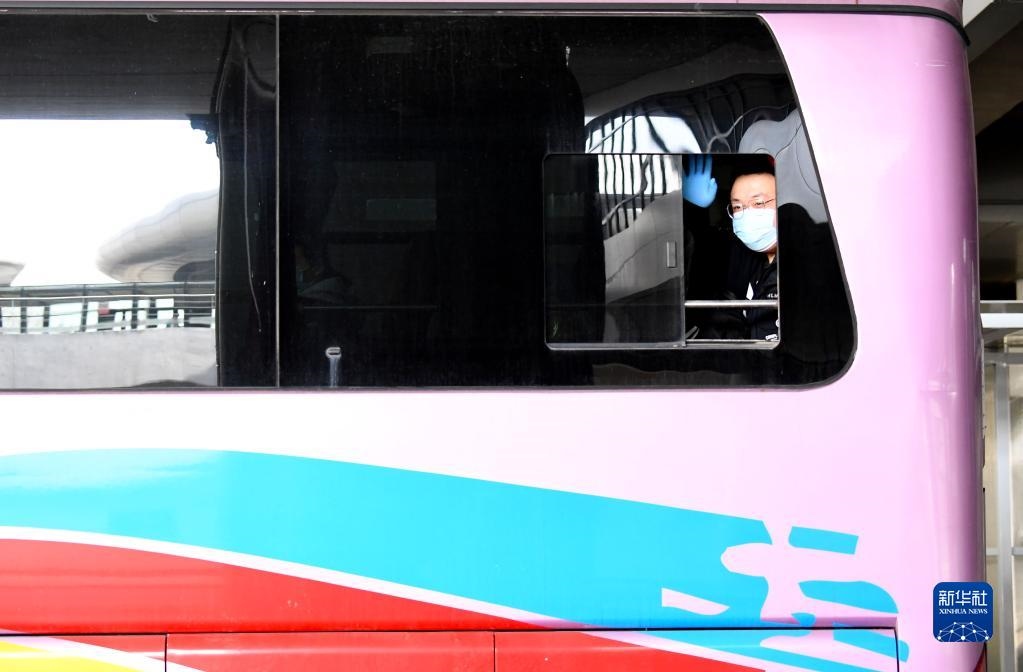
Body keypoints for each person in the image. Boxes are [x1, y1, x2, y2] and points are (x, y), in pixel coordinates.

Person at [724, 157, 778, 340]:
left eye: (759, 203)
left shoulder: (808, 266)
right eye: (737, 207)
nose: (747, 214)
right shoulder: (750, 266)